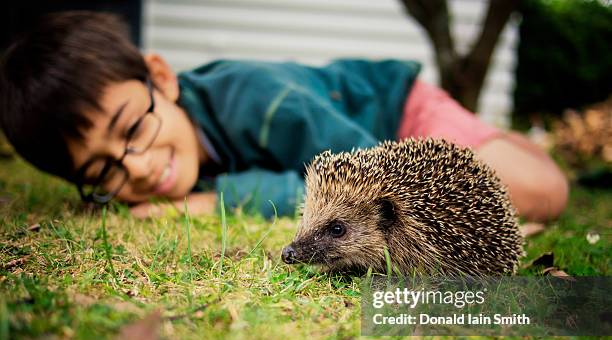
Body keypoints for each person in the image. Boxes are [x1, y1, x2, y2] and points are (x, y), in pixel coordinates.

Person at [0, 11, 567, 222]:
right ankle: (496, 138)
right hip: (358, 141)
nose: (139, 170)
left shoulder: (262, 99)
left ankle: (511, 142)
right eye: (101, 173)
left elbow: (363, 189)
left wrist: (218, 199)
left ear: (162, 79)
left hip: (395, 118)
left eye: (131, 128)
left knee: (536, 191)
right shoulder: (158, 156)